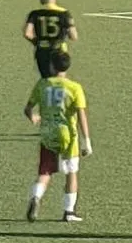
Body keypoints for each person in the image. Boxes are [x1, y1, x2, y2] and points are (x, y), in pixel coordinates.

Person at [25, 49, 92, 222]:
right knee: (71, 172)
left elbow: (28, 108)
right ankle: (68, 212)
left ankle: (36, 196)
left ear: (51, 65)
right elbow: (81, 115)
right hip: (68, 135)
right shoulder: (74, 88)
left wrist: (34, 117)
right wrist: (87, 141)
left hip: (48, 131)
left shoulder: (43, 84)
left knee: (45, 170)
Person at [23, 0, 77, 79]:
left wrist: (37, 42)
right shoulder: (64, 13)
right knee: (60, 81)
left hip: (42, 51)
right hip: (59, 51)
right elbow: (73, 36)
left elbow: (27, 33)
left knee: (45, 80)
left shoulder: (35, 13)